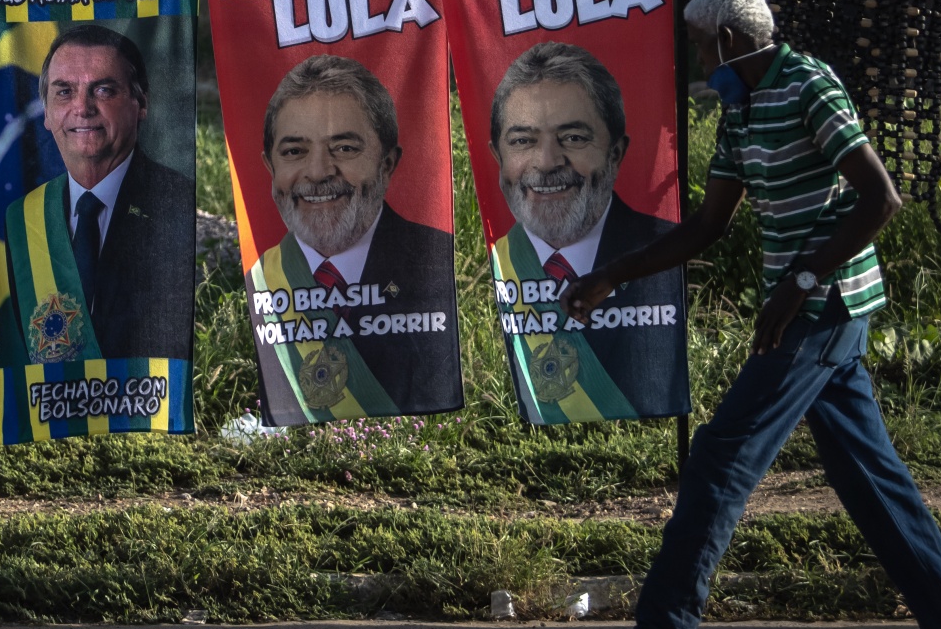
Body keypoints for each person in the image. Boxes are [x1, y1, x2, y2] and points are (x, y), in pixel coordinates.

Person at [567, 0, 941, 629]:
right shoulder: (741, 112)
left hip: (824, 308)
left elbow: (879, 198)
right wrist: (614, 273)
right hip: (808, 313)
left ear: (732, 42)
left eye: (698, 42)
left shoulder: (809, 85)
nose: (692, 54)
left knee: (721, 455)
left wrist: (802, 280)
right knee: (870, 479)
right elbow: (709, 227)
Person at [252, 53, 459, 417]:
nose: (317, 172)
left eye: (344, 148)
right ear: (270, 166)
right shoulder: (256, 278)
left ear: (387, 164)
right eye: (294, 151)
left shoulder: (436, 259)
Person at [488, 41, 684, 421]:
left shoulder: (665, 247)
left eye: (574, 138)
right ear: (497, 155)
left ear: (615, 153)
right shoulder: (495, 254)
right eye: (523, 141)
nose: (546, 163)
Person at [2, 25, 193, 363]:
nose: (82, 107)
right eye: (64, 92)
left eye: (103, 90)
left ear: (141, 102)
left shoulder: (175, 202)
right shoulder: (23, 217)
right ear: (46, 112)